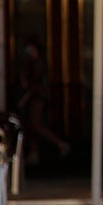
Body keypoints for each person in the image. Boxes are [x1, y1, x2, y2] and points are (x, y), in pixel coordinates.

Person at [17, 36, 70, 164]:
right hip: (35, 98)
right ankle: (34, 153)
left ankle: (60, 144)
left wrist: (24, 98)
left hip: (37, 98)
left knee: (36, 125)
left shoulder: (37, 64)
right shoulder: (31, 63)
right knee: (32, 125)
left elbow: (34, 85)